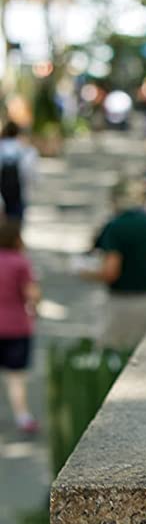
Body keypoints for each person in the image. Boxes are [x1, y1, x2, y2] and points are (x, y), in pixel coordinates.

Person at [87, 177, 146, 351]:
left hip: (119, 302)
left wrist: (86, 274)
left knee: (112, 354)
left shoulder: (115, 226)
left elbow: (111, 271)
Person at [0, 219, 41, 434]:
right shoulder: (20, 262)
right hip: (16, 326)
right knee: (16, 376)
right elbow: (32, 294)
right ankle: (22, 416)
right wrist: (35, 308)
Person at [0, 120, 39, 224]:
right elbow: (29, 171)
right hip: (18, 193)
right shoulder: (25, 149)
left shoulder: (1, 147)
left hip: (2, 194)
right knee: (16, 222)